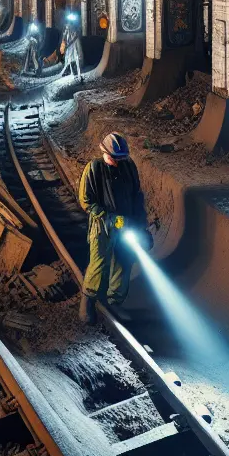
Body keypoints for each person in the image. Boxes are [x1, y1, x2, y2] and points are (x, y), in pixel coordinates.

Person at [78, 132, 149, 324]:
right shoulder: (94, 168)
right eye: (114, 158)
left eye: (120, 158)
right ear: (104, 152)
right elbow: (86, 201)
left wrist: (141, 225)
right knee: (99, 263)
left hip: (126, 224)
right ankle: (88, 302)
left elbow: (136, 196)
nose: (117, 162)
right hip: (102, 225)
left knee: (123, 261)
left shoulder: (129, 166)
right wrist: (107, 217)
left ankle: (114, 303)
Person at [59, 14, 83, 79]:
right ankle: (71, 72)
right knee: (69, 59)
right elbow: (65, 36)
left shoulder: (74, 29)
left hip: (74, 46)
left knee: (76, 58)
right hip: (70, 46)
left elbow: (75, 37)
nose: (68, 25)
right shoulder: (67, 29)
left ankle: (78, 73)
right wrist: (64, 43)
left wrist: (68, 44)